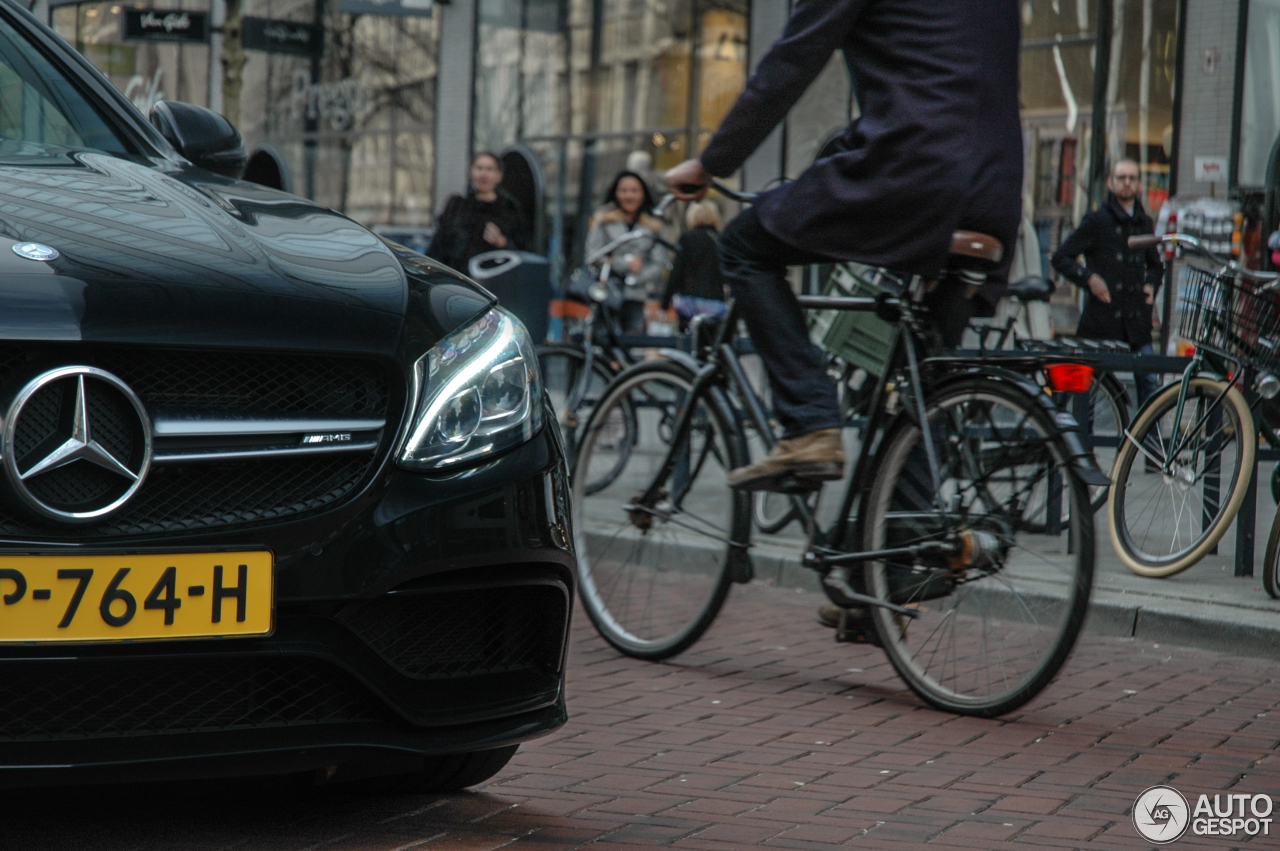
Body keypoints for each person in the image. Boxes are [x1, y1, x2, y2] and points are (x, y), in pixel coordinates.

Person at [667, 0, 1023, 492]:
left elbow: (791, 62)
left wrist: (712, 163)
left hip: (917, 171)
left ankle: (810, 422)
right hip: (996, 191)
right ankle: (909, 547)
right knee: (925, 383)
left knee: (743, 246)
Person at [1052, 159, 1164, 403]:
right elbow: (1061, 257)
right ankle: (1080, 440)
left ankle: (1149, 441)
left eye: (1132, 178)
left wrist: (1151, 285)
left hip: (1136, 321)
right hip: (1101, 320)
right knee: (1087, 392)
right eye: (1121, 177)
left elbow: (1156, 265)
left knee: (1149, 383)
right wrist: (1089, 278)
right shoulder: (1097, 220)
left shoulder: (1144, 222)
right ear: (1111, 183)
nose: (1127, 183)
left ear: (1139, 184)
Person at [585, 171, 670, 334]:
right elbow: (592, 255)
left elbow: (659, 263)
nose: (628, 196)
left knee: (632, 341)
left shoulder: (653, 226)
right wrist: (624, 264)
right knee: (603, 340)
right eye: (623, 191)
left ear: (643, 194)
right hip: (606, 293)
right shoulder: (603, 220)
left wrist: (637, 276)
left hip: (636, 295)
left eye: (634, 191)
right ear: (616, 193)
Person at [427, 152, 526, 274]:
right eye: (479, 168)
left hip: (492, 285)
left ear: (499, 175)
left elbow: (522, 254)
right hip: (455, 281)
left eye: (490, 169)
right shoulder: (456, 207)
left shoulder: (509, 209)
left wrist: (502, 243)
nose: (483, 174)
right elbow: (437, 248)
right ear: (471, 173)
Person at [661, 200, 727, 329]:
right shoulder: (720, 240)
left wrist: (664, 303)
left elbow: (676, 272)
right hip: (715, 303)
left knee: (687, 341)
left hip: (689, 303)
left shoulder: (688, 238)